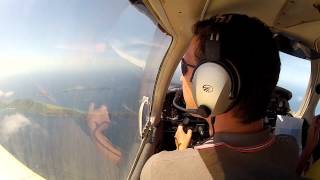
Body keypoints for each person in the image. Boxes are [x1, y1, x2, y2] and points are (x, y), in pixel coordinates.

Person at [141, 14, 300, 179]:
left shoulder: (160, 169)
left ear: (213, 84)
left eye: (184, 67)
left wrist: (182, 153)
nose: (182, 78)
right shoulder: (290, 149)